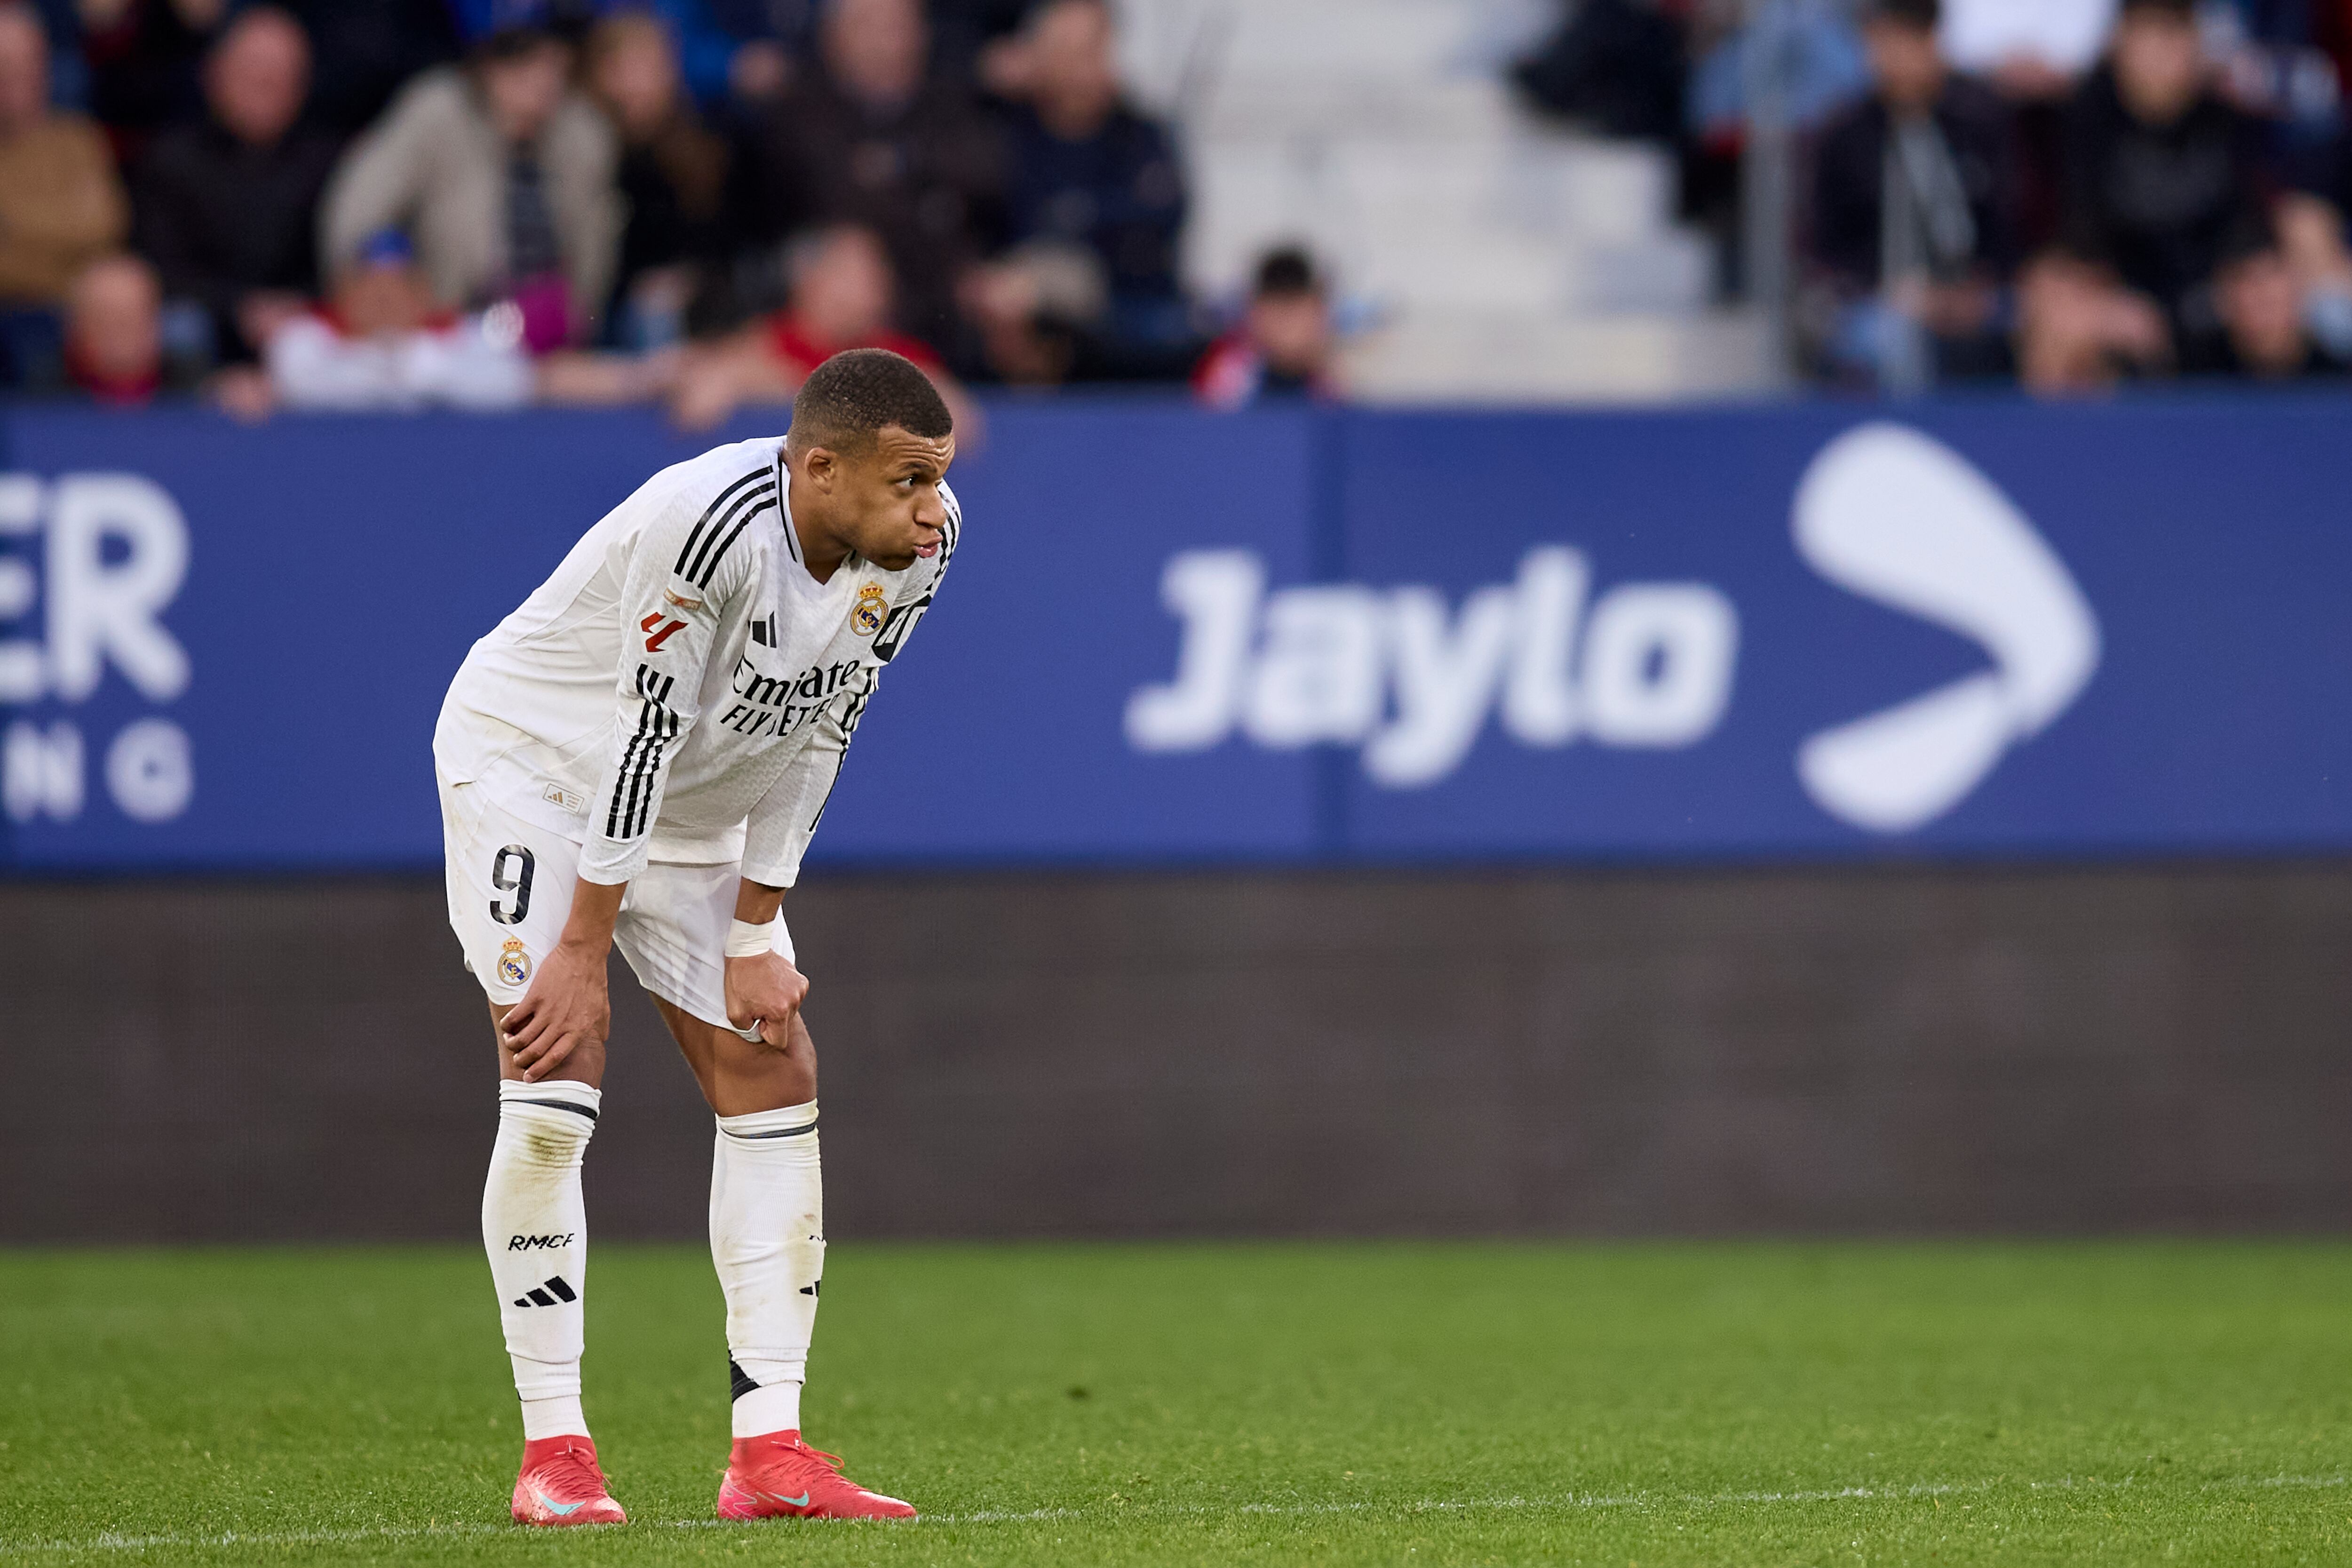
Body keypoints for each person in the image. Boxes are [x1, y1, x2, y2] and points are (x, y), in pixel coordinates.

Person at [432, 347, 956, 1528]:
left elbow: (824, 728)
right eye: (909, 481)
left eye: (939, 481)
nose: (932, 511)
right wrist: (579, 947)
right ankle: (554, 1454)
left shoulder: (921, 552)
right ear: (820, 468)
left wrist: (758, 924)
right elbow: (638, 734)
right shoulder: (708, 524)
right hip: (538, 770)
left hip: (692, 804)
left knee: (776, 1066)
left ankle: (769, 1454)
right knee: (553, 1064)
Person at [2020, 0, 2277, 388]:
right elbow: (2059, 254)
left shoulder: (2229, 124)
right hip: (2116, 298)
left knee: (2274, 305)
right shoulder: (2077, 124)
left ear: (2196, 45)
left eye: (2173, 35)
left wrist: (2241, 292)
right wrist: (2110, 308)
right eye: (2148, 34)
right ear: (2120, 42)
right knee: (2060, 323)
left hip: (2212, 296)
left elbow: (2255, 241)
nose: (2160, 54)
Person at [320, 24, 620, 352]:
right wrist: (381, 267)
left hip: (546, 329)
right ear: (490, 68)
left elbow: (595, 253)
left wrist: (581, 318)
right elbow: (358, 209)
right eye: (525, 65)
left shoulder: (584, 132)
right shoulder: (438, 111)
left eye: (553, 66)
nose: (542, 81)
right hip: (451, 326)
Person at [750, 0, 1004, 352]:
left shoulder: (950, 99)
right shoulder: (800, 105)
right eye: (871, 26)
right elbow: (817, 194)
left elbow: (984, 179)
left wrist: (896, 167)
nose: (889, 42)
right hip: (837, 276)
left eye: (900, 26)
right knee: (847, 267)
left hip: (940, 280)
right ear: (834, 37)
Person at [1806, 0, 2017, 389]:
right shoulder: (1843, 136)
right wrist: (1890, 292)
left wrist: (1979, 287)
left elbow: (2011, 220)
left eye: (1912, 39)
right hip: (1878, 302)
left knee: (2044, 324)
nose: (1899, 55)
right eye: (1886, 39)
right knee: (1894, 341)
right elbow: (1821, 249)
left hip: (1980, 294)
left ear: (1935, 42)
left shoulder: (1980, 119)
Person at [132, 7, 342, 366]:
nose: (267, 87)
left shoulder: (329, 164)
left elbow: (340, 260)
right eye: (254, 74)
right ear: (215, 74)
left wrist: (298, 306)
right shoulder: (172, 159)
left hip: (305, 331)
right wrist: (238, 309)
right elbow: (159, 267)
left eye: (281, 77)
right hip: (203, 330)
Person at [991, 0, 1187, 352]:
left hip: (1128, 330)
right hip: (1022, 338)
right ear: (1038, 57)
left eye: (1092, 49)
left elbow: (1155, 230)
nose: (1080, 67)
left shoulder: (1143, 138)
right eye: (1067, 51)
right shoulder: (1004, 138)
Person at [668, 223, 968, 430]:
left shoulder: (895, 354)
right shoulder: (764, 340)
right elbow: (702, 386)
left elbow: (956, 418)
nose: (876, 288)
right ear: (810, 278)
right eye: (854, 274)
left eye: (878, 275)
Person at [580, 11, 737, 351]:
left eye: (650, 67)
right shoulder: (584, 148)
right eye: (625, 67)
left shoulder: (702, 147)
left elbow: (717, 246)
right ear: (600, 73)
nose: (638, 82)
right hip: (597, 304)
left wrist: (686, 280)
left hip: (676, 305)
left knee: (660, 313)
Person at [0, 0, 128, 387]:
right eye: (5, 67)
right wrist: (62, 249)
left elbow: (105, 228)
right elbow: (80, 233)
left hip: (75, 310)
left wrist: (14, 228)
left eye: (27, 64)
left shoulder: (79, 141)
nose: (17, 77)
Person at [1193, 247, 1338, 409]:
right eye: (1278, 311)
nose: (1287, 327)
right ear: (1254, 312)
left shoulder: (1341, 376)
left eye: (1295, 310)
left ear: (1319, 312)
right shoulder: (1228, 372)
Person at [62, 250, 168, 403]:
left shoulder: (197, 395)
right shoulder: (41, 401)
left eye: (131, 319)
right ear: (77, 329)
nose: (119, 333)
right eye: (104, 319)